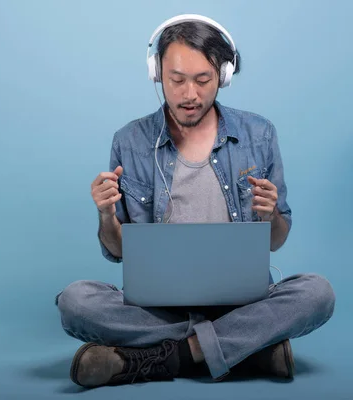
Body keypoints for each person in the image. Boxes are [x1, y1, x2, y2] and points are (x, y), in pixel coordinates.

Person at [55, 14, 335, 389]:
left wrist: (270, 216)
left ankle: (169, 357)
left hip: (242, 303)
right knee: (75, 302)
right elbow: (120, 251)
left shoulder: (259, 134)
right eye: (177, 80)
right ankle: (244, 347)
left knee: (317, 293)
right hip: (158, 307)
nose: (190, 94)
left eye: (203, 80)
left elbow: (275, 241)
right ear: (157, 73)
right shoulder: (130, 141)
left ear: (224, 75)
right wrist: (106, 215)